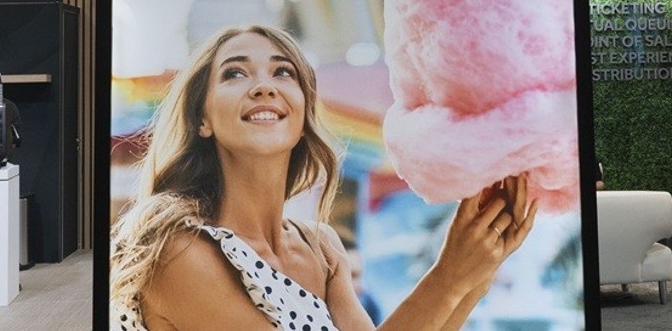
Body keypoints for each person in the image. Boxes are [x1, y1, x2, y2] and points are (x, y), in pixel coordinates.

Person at [109, 24, 537, 331]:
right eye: (235, 73)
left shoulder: (322, 248)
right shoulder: (175, 249)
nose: (264, 86)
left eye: (283, 72)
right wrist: (449, 276)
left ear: (302, 111)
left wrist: (479, 266)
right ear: (203, 118)